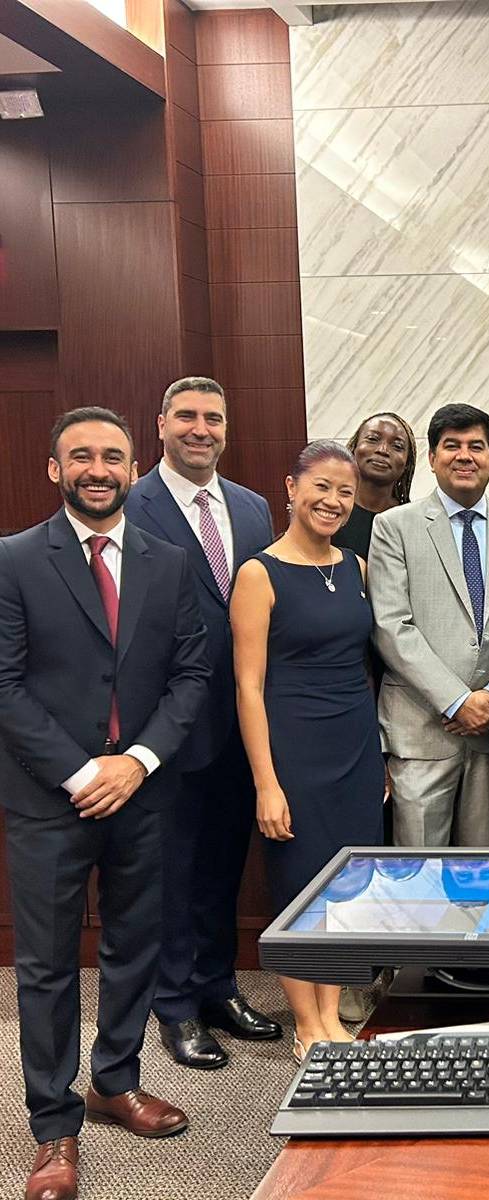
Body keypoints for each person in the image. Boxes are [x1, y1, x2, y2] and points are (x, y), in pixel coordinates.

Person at [0, 407, 210, 1200]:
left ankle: (114, 1080)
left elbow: (193, 674)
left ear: (133, 467)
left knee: (135, 945)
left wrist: (139, 760)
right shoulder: (13, 560)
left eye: (112, 457)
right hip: (51, 797)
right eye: (80, 456)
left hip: (144, 790)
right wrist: (82, 771)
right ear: (55, 470)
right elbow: (4, 684)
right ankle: (54, 1129)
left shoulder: (167, 560)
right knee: (48, 967)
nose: (98, 468)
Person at [124, 376, 282, 1071]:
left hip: (240, 723)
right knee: (173, 872)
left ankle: (218, 987)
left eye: (212, 417)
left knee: (223, 865)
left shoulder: (251, 508)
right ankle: (176, 1006)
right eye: (185, 416)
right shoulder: (132, 504)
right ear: (160, 424)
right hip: (166, 727)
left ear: (226, 427)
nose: (200, 428)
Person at [231, 440, 384, 1060]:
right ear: (290, 488)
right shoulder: (258, 573)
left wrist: (376, 754)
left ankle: (332, 1012)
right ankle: (306, 1022)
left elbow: (366, 669)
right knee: (300, 884)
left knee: (348, 884)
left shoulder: (356, 566)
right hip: (292, 748)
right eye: (320, 486)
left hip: (354, 742)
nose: (332, 501)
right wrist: (266, 782)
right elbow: (247, 686)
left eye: (344, 492)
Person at [370, 404, 489, 847]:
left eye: (476, 447)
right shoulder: (394, 527)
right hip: (422, 730)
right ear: (431, 457)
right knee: (419, 873)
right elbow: (392, 625)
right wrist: (455, 700)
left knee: (483, 875)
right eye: (452, 446)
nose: (464, 456)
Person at [333, 411, 417, 560]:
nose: (383, 450)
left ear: (407, 464)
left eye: (397, 446)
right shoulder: (331, 511)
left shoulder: (413, 522)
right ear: (354, 448)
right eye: (372, 439)